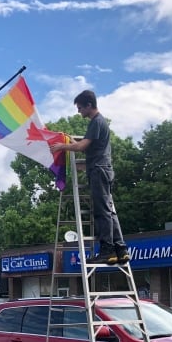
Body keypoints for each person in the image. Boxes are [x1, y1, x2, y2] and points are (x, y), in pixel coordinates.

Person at [50, 90, 128, 264]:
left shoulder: (96, 122)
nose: (78, 112)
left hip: (99, 171)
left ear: (89, 105)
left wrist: (61, 146)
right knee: (109, 210)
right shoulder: (101, 123)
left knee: (102, 212)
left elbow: (82, 146)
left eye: (80, 108)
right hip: (103, 168)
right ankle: (121, 249)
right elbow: (93, 150)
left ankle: (107, 250)